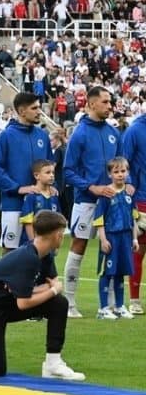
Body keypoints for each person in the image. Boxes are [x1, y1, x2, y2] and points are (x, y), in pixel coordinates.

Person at [0, 210, 85, 381]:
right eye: (62, 233)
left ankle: (53, 363)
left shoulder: (46, 255)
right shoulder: (28, 258)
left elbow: (52, 285)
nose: (63, 237)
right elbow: (25, 303)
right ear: (57, 235)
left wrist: (46, 290)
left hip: (7, 303)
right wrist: (51, 289)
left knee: (58, 303)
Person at [63, 86, 123, 318]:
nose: (110, 106)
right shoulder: (79, 134)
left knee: (112, 248)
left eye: (111, 102)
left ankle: (109, 304)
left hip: (112, 203)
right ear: (91, 104)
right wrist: (91, 187)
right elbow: (68, 171)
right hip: (86, 201)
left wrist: (124, 186)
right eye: (106, 102)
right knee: (79, 246)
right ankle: (69, 302)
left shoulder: (113, 133)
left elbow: (121, 166)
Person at [0, 92, 52, 253]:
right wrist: (17, 188)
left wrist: (50, 185)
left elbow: (49, 165)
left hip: (39, 204)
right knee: (10, 251)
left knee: (41, 249)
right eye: (35, 108)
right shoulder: (6, 136)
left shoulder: (42, 136)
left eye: (39, 107)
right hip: (13, 203)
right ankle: (6, 280)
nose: (39, 111)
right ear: (22, 111)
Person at [93, 157, 139, 320]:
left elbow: (133, 217)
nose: (120, 175)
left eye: (123, 171)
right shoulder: (106, 194)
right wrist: (103, 240)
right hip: (111, 237)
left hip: (126, 237)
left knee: (121, 272)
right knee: (107, 272)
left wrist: (135, 239)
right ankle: (103, 308)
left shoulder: (129, 193)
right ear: (109, 174)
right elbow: (99, 220)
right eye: (116, 171)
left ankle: (119, 306)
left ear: (127, 172)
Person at [121, 112, 146, 314]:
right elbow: (124, 161)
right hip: (142, 199)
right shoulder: (135, 130)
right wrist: (128, 184)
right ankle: (135, 300)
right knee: (139, 249)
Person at [19, 159, 60, 243]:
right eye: (48, 173)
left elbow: (58, 221)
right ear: (37, 176)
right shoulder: (31, 196)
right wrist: (33, 243)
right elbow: (28, 222)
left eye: (53, 173)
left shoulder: (54, 196)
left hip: (50, 242)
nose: (51, 175)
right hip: (35, 243)